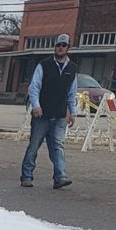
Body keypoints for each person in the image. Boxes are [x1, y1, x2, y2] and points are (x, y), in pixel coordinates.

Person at [21, 33, 77, 190]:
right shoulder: (44, 65)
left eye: (63, 45)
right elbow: (35, 87)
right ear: (55, 47)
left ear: (68, 48)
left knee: (57, 145)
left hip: (59, 115)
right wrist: (36, 105)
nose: (60, 48)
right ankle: (26, 176)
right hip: (42, 114)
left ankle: (60, 177)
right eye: (58, 45)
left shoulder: (72, 69)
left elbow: (72, 92)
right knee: (34, 145)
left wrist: (72, 112)